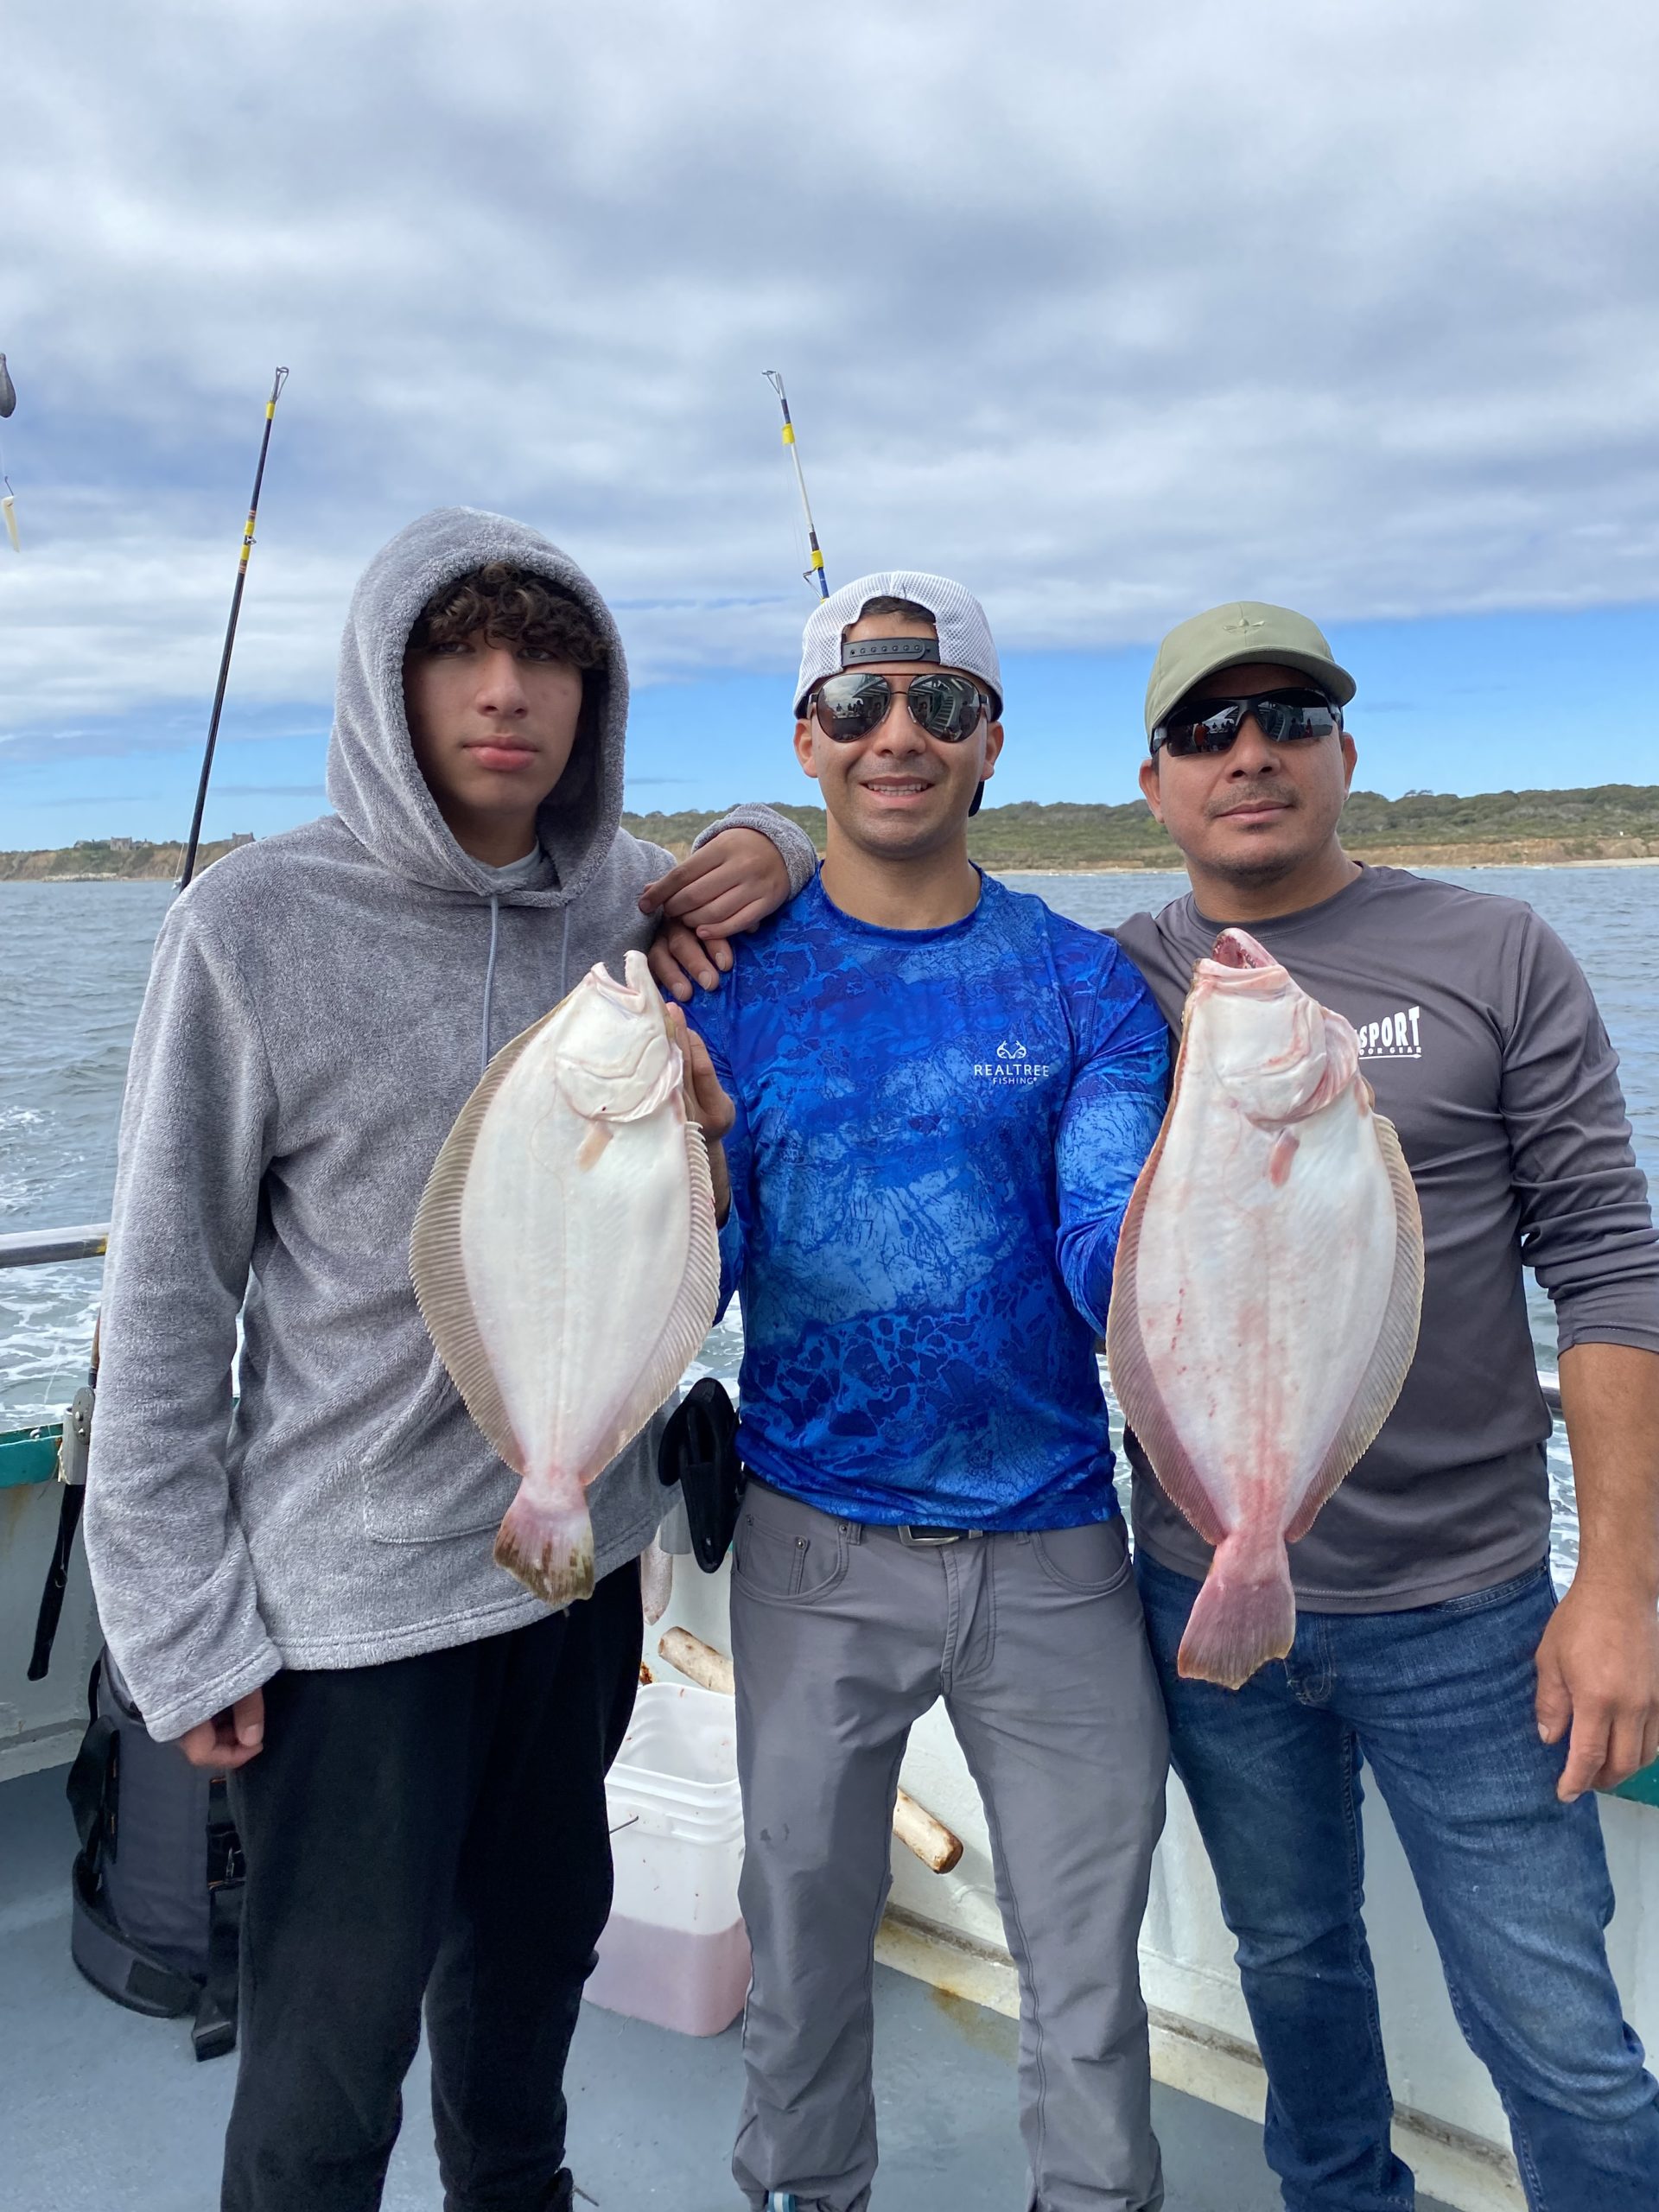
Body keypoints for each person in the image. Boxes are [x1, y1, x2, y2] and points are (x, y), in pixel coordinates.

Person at [82, 505, 818, 2212]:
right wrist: (181, 1624)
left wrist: (762, 838)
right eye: (459, 649)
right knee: (328, 2073)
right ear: (385, 678)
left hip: (574, 1590)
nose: (508, 692)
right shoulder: (246, 929)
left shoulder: (625, 902)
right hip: (354, 1612)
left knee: (526, 2024)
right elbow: (173, 1301)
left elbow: (786, 858)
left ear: (596, 688)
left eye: (549, 652)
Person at [1114, 599, 1659, 2210]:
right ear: (1153, 784)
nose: (1252, 754)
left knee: (1557, 2033)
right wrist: (759, 846)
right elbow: (901, 900)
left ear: (1346, 752)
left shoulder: (1496, 950)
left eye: (1289, 717)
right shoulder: (1114, 978)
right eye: (1207, 730)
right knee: (1292, 1973)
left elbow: (1613, 1274)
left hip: (1471, 1610)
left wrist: (1620, 1588)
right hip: (1205, 1580)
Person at [683, 572, 1173, 2212]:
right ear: (809, 744)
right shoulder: (719, 985)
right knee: (804, 1949)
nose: (900, 735)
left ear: (992, 746)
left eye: (940, 704)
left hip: (1054, 1550)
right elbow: (693, 1268)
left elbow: (1112, 1249)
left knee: (1092, 1972)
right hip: (810, 1545)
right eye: (861, 706)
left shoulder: (1089, 986)